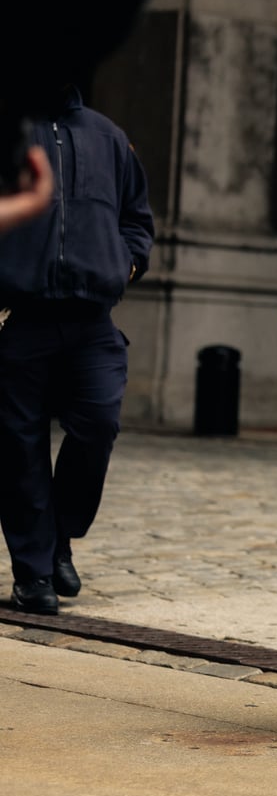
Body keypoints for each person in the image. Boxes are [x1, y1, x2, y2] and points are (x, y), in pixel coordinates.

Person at [0, 84, 154, 615]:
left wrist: (128, 263)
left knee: (98, 426)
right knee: (19, 450)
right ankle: (32, 573)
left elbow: (137, 217)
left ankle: (59, 536)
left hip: (93, 321)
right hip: (23, 317)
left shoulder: (109, 136)